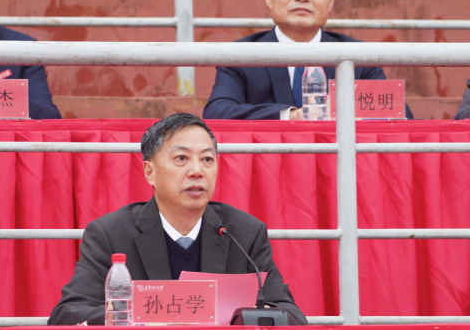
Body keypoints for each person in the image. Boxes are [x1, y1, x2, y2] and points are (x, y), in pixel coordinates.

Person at [48, 113, 307, 325]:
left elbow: (292, 316)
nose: (197, 171)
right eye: (181, 158)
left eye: (207, 159)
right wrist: (147, 314)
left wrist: (244, 317)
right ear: (149, 172)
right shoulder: (111, 233)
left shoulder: (244, 233)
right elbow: (67, 315)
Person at [203, 0, 413, 121]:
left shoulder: (359, 57)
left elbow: (400, 113)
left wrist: (339, 110)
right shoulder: (240, 57)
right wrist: (292, 116)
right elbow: (217, 111)